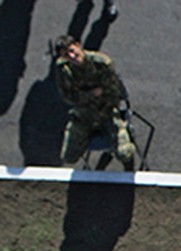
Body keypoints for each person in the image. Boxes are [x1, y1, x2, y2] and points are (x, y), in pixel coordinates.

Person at [52, 35, 135, 170]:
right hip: (84, 115)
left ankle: (125, 158)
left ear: (78, 45)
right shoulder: (63, 69)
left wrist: (83, 96)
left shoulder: (101, 63)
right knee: (69, 157)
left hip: (107, 112)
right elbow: (68, 97)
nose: (72, 56)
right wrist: (91, 94)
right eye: (67, 55)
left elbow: (113, 94)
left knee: (124, 154)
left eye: (72, 50)